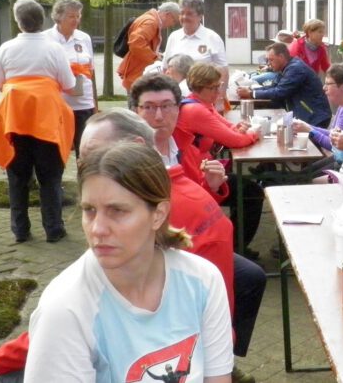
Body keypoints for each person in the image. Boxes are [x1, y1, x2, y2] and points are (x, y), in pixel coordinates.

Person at [23, 142, 233, 381]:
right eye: (89, 210)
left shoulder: (203, 281)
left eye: (117, 211)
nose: (97, 229)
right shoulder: (65, 309)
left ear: (158, 214)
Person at [130, 74, 266, 370]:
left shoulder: (185, 150)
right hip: (174, 254)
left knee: (252, 278)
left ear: (178, 110)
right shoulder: (135, 161)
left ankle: (225, 355)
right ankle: (200, 359)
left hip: (203, 243)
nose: (159, 116)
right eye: (149, 108)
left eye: (167, 106)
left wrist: (215, 186)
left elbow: (197, 202)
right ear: (136, 113)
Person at [0, 0, 75, 243]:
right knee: (50, 178)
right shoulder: (54, 49)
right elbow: (69, 83)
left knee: (17, 178)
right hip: (46, 121)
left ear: (18, 21)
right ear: (42, 20)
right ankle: (54, 229)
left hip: (14, 120)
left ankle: (20, 230)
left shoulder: (6, 48)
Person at [177, 63, 266, 259]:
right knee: (252, 193)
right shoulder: (195, 110)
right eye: (214, 87)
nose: (219, 91)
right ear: (199, 86)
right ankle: (234, 250)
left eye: (219, 85)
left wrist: (240, 128)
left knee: (246, 190)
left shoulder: (201, 104)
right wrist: (253, 133)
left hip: (205, 169)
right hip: (196, 177)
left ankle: (236, 245)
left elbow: (228, 128)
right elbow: (233, 140)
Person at [43, 0, 97, 158]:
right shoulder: (46, 39)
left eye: (78, 16)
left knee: (86, 150)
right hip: (58, 104)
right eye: (71, 16)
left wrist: (94, 104)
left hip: (83, 103)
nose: (76, 20)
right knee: (56, 151)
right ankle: (55, 182)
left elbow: (91, 72)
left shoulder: (84, 38)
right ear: (59, 16)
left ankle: (86, 181)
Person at [236, 42, 332, 128]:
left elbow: (280, 92)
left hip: (315, 117)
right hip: (307, 114)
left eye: (271, 60)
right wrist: (251, 90)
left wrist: (252, 94)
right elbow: (275, 87)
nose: (268, 64)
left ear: (281, 57)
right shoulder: (286, 67)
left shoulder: (295, 68)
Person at [164, 0, 230, 111]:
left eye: (189, 13)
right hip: (177, 100)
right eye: (181, 13)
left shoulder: (212, 37)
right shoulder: (173, 37)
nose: (184, 17)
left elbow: (223, 71)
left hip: (205, 101)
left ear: (200, 16)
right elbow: (165, 69)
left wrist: (219, 99)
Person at [116, 1, 180, 93]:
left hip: (136, 73)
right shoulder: (151, 22)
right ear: (167, 14)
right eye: (174, 20)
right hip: (137, 74)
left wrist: (156, 54)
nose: (172, 24)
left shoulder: (149, 19)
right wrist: (154, 59)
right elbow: (136, 44)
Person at [293, 63, 343, 151]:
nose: (324, 88)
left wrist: (310, 130)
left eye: (328, 84)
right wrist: (305, 126)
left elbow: (333, 145)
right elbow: (331, 134)